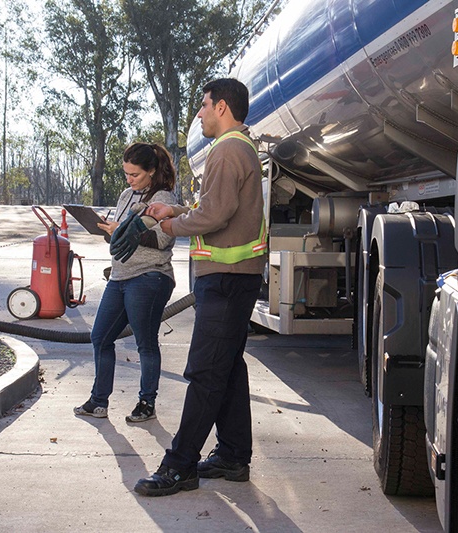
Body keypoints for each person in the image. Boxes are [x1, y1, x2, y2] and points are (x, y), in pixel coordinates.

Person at [134, 78, 267, 496]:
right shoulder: (238, 148)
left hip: (227, 280)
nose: (200, 113)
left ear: (223, 107)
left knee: (207, 370)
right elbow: (212, 207)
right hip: (235, 278)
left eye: (204, 105)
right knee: (227, 367)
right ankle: (232, 455)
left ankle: (181, 465)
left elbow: (214, 216)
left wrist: (170, 224)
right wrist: (172, 207)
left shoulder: (228, 150)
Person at [73, 143, 177, 423]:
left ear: (152, 171)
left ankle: (146, 403)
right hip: (119, 276)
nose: (130, 180)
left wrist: (126, 231)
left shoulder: (163, 197)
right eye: (127, 174)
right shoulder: (125, 196)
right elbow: (121, 238)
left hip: (149, 276)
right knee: (101, 337)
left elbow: (164, 240)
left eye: (135, 175)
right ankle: (98, 401)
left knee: (145, 342)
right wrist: (110, 231)